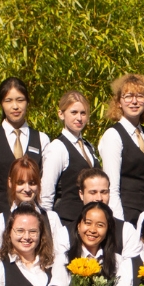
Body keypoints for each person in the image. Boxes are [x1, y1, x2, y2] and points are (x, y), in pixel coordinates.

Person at [0, 77, 49, 216]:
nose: (15, 106)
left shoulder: (42, 139)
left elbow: (46, 183)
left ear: (27, 102)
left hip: (30, 217)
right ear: (1, 104)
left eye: (20, 100)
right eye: (8, 101)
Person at [98, 73, 144, 224]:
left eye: (140, 96)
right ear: (119, 102)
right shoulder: (113, 136)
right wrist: (120, 224)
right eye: (128, 96)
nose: (134, 101)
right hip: (127, 214)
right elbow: (112, 186)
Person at [0, 157, 70, 257]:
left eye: (32, 183)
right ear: (10, 183)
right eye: (20, 183)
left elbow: (60, 257)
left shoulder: (52, 219)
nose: (27, 189)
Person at [41, 91, 100, 226]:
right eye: (74, 112)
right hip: (66, 221)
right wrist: (48, 228)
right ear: (61, 114)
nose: (79, 118)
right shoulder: (57, 147)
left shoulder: (88, 146)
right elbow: (46, 194)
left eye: (83, 113)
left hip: (88, 220)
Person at [73, 167, 143, 258]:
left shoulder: (126, 231)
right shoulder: (65, 233)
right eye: (93, 192)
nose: (99, 198)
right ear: (81, 194)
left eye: (104, 192)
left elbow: (131, 268)